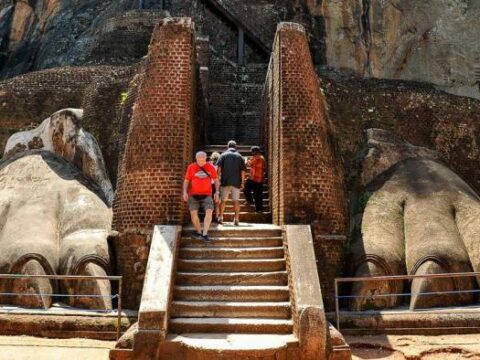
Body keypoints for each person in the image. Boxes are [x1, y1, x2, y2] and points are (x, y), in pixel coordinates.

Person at [183, 151, 219, 241]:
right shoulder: (191, 167)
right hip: (193, 194)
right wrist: (184, 192)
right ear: (196, 159)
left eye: (203, 160)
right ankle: (199, 232)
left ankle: (205, 233)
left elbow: (216, 180)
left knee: (209, 211)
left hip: (207, 194)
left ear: (206, 159)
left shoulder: (210, 167)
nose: (201, 162)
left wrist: (217, 191)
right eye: (199, 160)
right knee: (193, 214)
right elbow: (186, 180)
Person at [217, 140, 246, 226]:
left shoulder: (223, 155)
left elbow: (218, 169)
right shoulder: (240, 156)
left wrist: (217, 179)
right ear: (235, 146)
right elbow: (243, 171)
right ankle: (236, 219)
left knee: (223, 200)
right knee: (236, 201)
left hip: (225, 181)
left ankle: (221, 217)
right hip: (236, 182)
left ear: (228, 146)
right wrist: (242, 182)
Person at [244, 146, 265, 212]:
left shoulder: (260, 158)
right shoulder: (255, 158)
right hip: (253, 178)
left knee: (258, 195)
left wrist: (248, 160)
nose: (251, 153)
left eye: (252, 151)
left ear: (255, 152)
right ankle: (250, 201)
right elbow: (249, 164)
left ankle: (259, 209)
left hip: (258, 179)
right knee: (246, 187)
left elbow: (249, 163)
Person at [209, 151, 221, 221]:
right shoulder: (219, 165)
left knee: (209, 201)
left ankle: (209, 216)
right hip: (216, 184)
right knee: (216, 201)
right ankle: (216, 216)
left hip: (209, 184)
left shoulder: (208, 164)